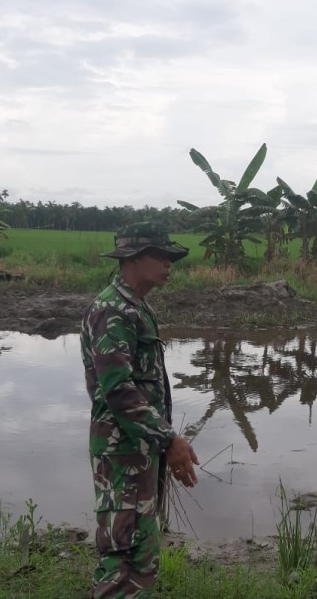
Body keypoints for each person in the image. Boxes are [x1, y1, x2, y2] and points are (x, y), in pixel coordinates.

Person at [81, 222, 200, 599]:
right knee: (123, 557)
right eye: (160, 256)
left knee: (143, 551)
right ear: (132, 259)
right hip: (122, 453)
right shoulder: (112, 312)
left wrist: (161, 443)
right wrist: (169, 439)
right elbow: (118, 392)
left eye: (170, 257)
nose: (169, 264)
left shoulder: (137, 307)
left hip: (140, 450)